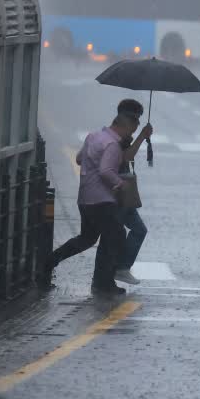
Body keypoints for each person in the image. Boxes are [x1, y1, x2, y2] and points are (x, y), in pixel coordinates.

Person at [50, 112, 141, 296]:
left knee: (87, 239)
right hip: (102, 200)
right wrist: (121, 184)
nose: (130, 136)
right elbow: (106, 171)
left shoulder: (94, 137)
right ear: (124, 126)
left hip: (85, 198)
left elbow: (78, 159)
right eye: (131, 130)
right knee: (116, 236)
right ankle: (103, 283)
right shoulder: (113, 144)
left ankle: (49, 260)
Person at [114, 98, 153, 285]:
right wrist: (142, 137)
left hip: (123, 191)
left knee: (135, 230)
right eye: (136, 120)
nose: (138, 124)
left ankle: (117, 271)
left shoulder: (124, 135)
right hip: (117, 191)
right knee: (118, 234)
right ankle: (117, 271)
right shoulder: (119, 135)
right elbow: (126, 157)